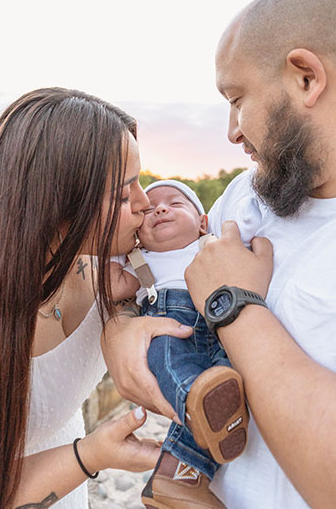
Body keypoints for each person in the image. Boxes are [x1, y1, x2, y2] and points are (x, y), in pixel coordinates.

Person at [101, 0, 336, 509]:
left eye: (237, 97)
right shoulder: (249, 194)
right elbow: (170, 279)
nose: (231, 131)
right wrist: (124, 332)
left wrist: (234, 305)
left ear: (306, 78)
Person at [0, 87, 196, 509]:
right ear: (57, 205)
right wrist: (92, 454)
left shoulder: (110, 265)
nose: (144, 203)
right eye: (123, 193)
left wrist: (121, 321)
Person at [111, 179, 262, 508]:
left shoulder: (210, 244)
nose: (160, 209)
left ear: (203, 222)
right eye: (149, 210)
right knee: (170, 365)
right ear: (139, 236)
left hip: (218, 319)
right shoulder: (139, 260)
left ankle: (178, 470)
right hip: (169, 320)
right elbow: (109, 286)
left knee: (231, 373)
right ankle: (191, 440)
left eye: (175, 204)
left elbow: (246, 239)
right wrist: (118, 249)